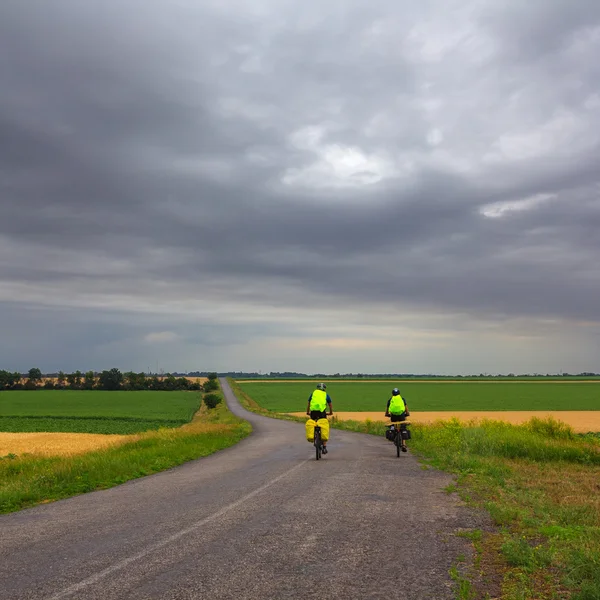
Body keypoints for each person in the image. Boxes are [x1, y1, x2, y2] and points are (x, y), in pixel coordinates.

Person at [306, 382, 333, 453]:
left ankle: (315, 437)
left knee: (313, 423)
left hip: (313, 413)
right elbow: (330, 405)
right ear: (324, 389)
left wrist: (308, 412)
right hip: (322, 413)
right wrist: (330, 412)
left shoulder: (313, 394)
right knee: (324, 425)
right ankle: (324, 447)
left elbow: (309, 403)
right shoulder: (325, 395)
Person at [385, 387, 410, 452]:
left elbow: (387, 411)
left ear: (392, 394)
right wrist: (407, 414)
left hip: (393, 417)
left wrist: (387, 414)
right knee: (403, 427)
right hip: (401, 416)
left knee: (392, 425)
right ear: (399, 393)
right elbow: (406, 409)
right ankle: (404, 444)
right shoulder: (402, 399)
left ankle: (393, 433)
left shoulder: (390, 400)